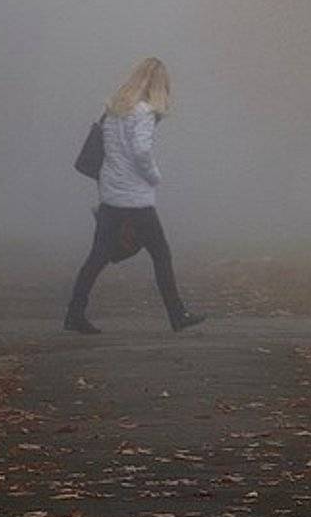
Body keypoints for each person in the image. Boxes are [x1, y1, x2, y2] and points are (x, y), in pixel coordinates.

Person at [64, 56, 205, 334]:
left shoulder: (114, 110)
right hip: (135, 198)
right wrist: (154, 176)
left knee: (98, 256)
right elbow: (141, 151)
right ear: (158, 85)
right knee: (161, 254)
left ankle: (74, 313)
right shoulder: (143, 112)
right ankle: (177, 315)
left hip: (111, 193)